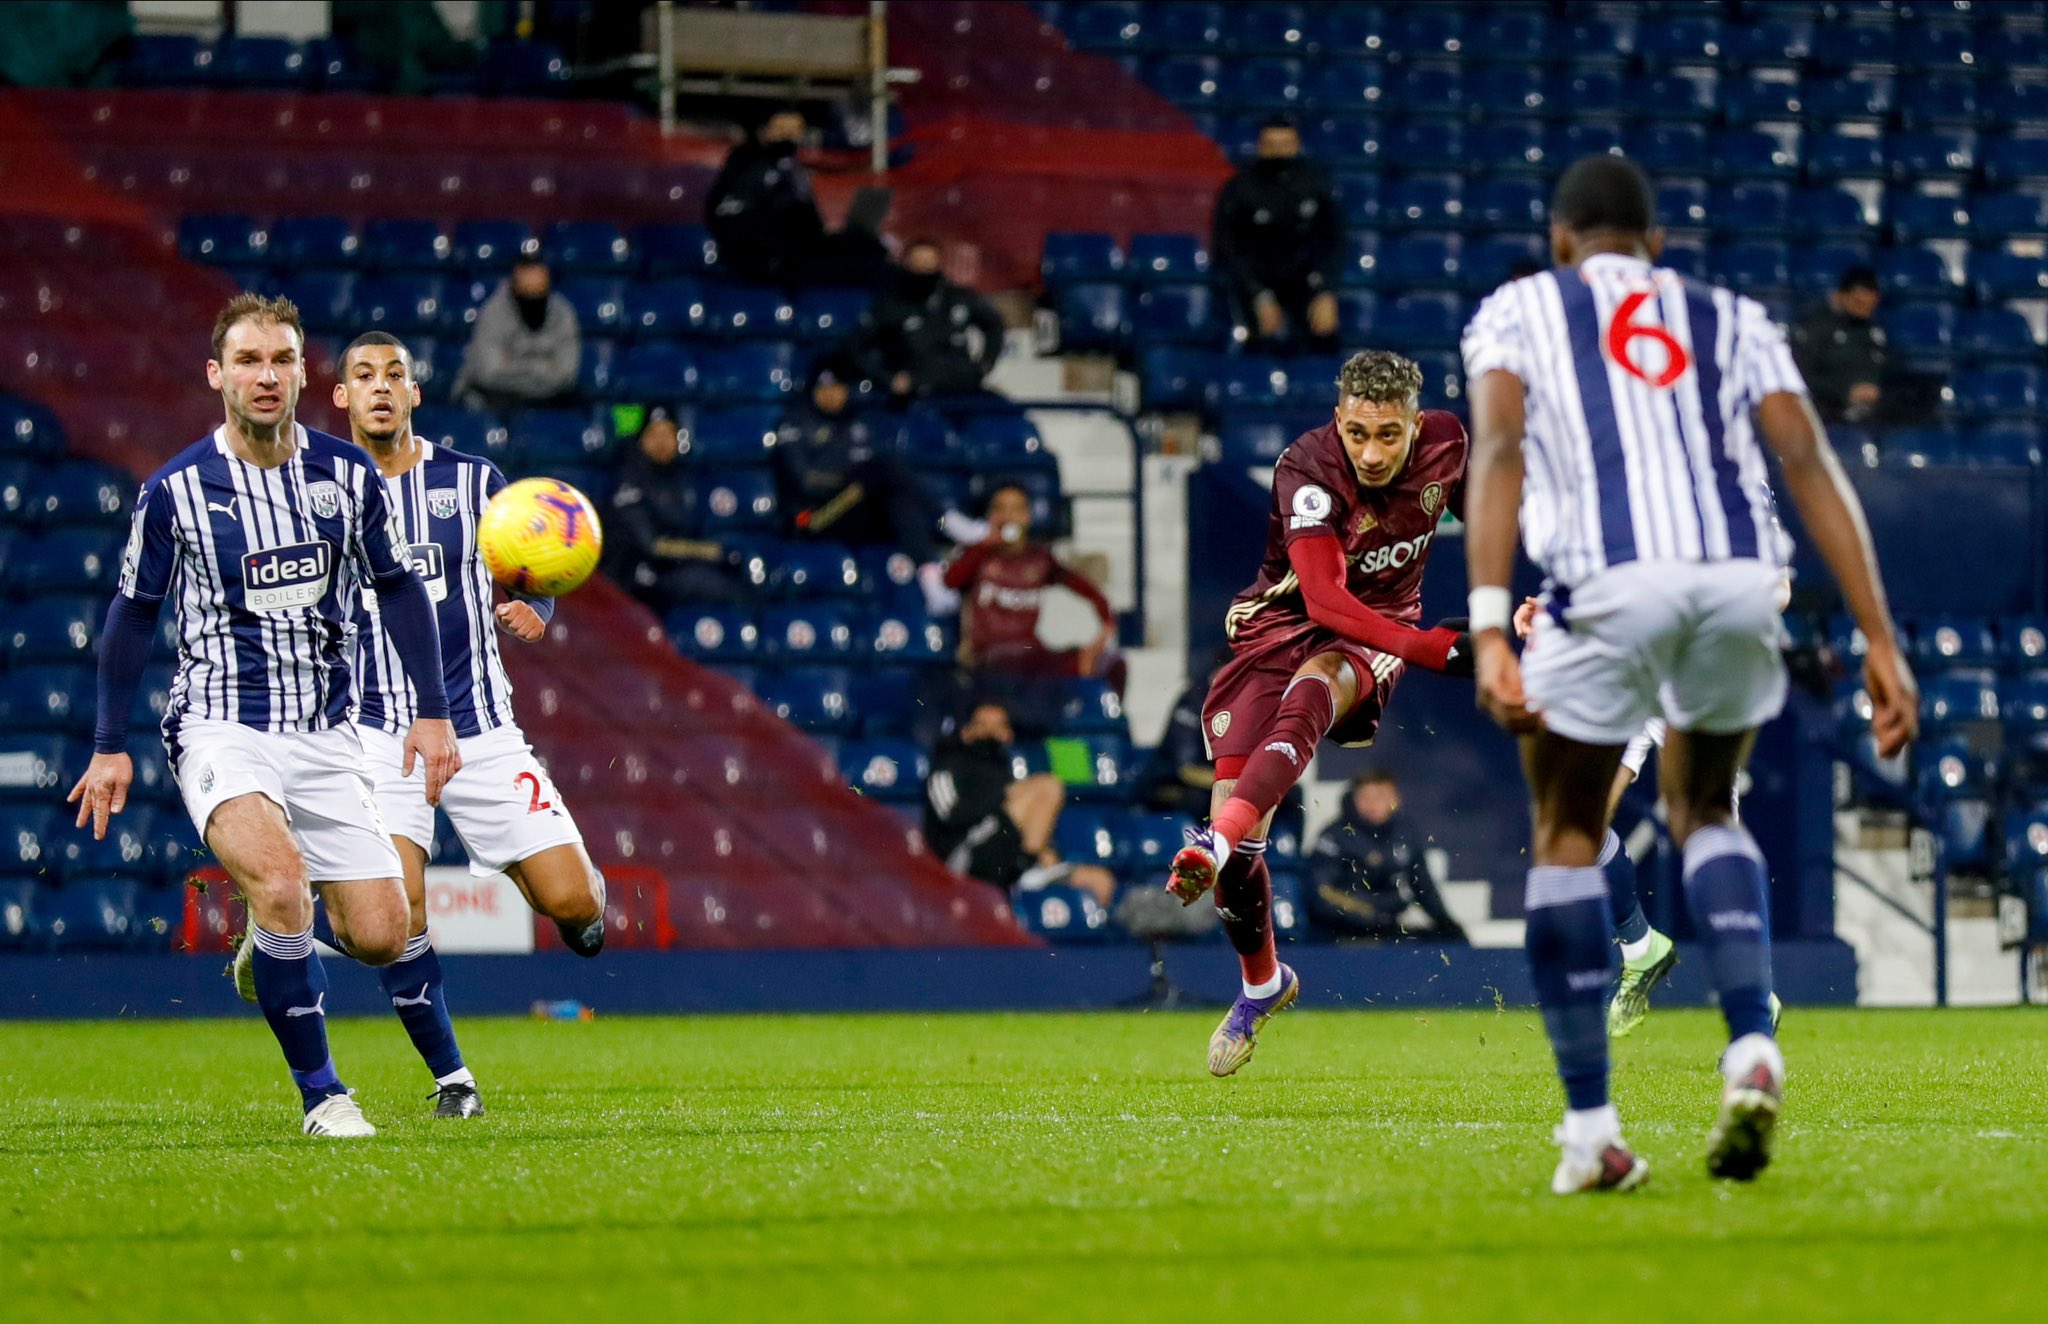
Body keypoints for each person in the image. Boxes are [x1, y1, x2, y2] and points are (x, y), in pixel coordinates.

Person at [1461, 154, 1918, 1194]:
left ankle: (1590, 1132)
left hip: (1606, 588)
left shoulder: (1518, 309)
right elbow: (1808, 463)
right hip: (1733, 584)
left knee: (1567, 835)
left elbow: (1495, 454)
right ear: (1656, 246)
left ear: (1560, 240)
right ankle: (1750, 1043)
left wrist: (1490, 622)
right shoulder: (1731, 316)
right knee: (1705, 811)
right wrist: (1875, 637)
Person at [66, 294, 462, 1139]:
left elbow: (396, 586)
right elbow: (132, 616)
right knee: (283, 886)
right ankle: (325, 1097)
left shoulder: (346, 476)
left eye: (281, 359)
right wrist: (110, 744)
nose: (267, 375)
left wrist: (432, 714)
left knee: (385, 935)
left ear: (303, 372)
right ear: (218, 376)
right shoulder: (175, 493)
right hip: (219, 724)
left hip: (326, 731)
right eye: (248, 360)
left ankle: (268, 942)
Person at [259, 330, 604, 1120]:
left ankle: (320, 926)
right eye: (363, 377)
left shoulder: (475, 481)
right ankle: (455, 1080)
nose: (381, 387)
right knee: (399, 918)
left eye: (396, 375)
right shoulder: (314, 488)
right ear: (339, 396)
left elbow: (531, 560)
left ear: (415, 393)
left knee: (577, 909)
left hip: (480, 728)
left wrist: (533, 605)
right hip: (378, 733)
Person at [1161, 349, 1477, 1078]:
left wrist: (1510, 606)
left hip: (1374, 634)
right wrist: (1435, 650)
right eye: (1359, 432)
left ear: (1414, 425)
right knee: (1245, 864)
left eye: (1388, 435)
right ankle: (1262, 984)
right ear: (1339, 419)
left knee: (1317, 687)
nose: (1371, 451)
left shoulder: (1448, 445)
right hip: (1282, 627)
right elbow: (1326, 601)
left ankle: (1211, 842)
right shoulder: (1307, 468)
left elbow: (1491, 515)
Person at [773, 359, 979, 612]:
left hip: (850, 510)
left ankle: (933, 583)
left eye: (838, 388)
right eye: (824, 388)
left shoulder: (854, 423)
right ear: (813, 391)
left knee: (900, 503)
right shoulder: (795, 422)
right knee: (882, 468)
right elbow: (805, 482)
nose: (832, 395)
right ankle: (949, 521)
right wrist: (856, 479)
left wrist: (860, 482)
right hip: (810, 517)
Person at [923, 702, 1117, 907]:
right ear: (966, 732)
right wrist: (1003, 799)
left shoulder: (1005, 772)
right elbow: (950, 814)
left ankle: (1025, 870)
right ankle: (1024, 867)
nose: (990, 732)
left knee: (1099, 881)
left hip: (1009, 859)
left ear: (1008, 734)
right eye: (982, 725)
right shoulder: (948, 764)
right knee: (1048, 787)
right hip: (966, 860)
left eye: (998, 726)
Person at [945, 483, 1122, 691]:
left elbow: (1087, 589)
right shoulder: (978, 556)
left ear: (1027, 516)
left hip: (1031, 653)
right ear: (990, 516)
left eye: (1015, 509)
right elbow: (950, 580)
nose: (1008, 516)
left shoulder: (1039, 560)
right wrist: (984, 544)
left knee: (1111, 664)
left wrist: (1106, 624)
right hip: (988, 657)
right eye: (1000, 509)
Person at [706, 108, 888, 288]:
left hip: (800, 246)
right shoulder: (745, 164)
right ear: (765, 132)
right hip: (760, 252)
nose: (789, 137)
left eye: (795, 132)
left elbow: (807, 218)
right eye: (782, 131)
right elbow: (734, 217)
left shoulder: (794, 169)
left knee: (868, 248)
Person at [1211, 115, 1342, 349]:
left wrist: (1325, 290)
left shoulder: (1317, 184)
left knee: (1324, 333)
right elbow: (1227, 248)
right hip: (1254, 282)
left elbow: (1336, 241)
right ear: (1260, 147)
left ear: (1297, 145)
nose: (1278, 153)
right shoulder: (1240, 188)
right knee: (1257, 338)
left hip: (1306, 282)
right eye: (1271, 146)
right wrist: (1258, 295)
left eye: (1285, 145)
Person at [607, 407, 750, 607]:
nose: (662, 442)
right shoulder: (628, 478)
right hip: (637, 574)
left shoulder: (683, 475)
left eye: (668, 434)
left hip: (675, 568)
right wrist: (707, 552)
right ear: (642, 438)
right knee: (712, 585)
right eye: (654, 434)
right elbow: (650, 545)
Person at [1305, 770, 1466, 943]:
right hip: (1344, 932)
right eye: (1365, 797)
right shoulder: (1335, 837)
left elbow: (1422, 885)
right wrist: (1368, 915)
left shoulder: (1405, 834)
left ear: (1395, 799)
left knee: (1446, 942)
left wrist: (1445, 922)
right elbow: (1321, 892)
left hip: (1390, 929)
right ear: (1354, 799)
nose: (1373, 804)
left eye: (1381, 797)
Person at [855, 238, 1006, 401]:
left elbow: (993, 325)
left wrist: (985, 364)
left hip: (963, 391)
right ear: (906, 265)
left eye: (929, 265)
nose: (924, 272)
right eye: (918, 265)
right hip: (916, 397)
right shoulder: (892, 305)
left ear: (939, 265)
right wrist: (888, 377)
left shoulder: (957, 297)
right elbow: (857, 346)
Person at [451, 254, 580, 412]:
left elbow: (567, 375)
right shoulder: (494, 312)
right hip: (493, 402)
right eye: (527, 293)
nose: (533, 301)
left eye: (539, 293)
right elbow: (489, 374)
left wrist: (511, 364)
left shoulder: (562, 313)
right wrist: (543, 366)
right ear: (514, 288)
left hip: (546, 402)